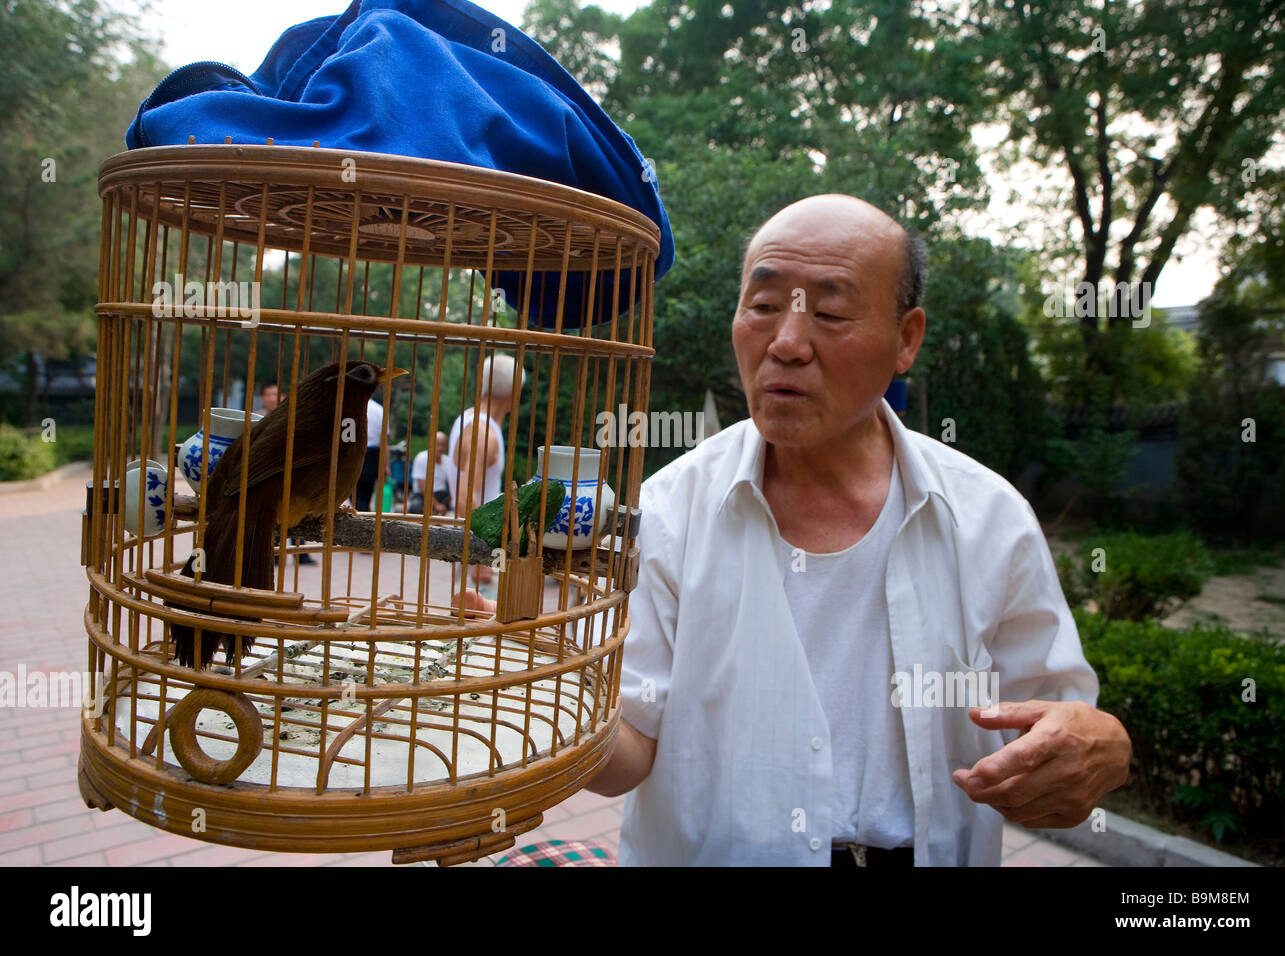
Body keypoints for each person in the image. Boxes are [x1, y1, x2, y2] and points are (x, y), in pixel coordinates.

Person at [581, 194, 1131, 866]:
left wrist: (1102, 741)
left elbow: (1060, 721)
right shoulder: (670, 510)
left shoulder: (986, 518)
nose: (786, 343)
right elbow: (626, 755)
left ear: (907, 339)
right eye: (762, 306)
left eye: (832, 312)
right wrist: (549, 692)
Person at [448, 353, 525, 587]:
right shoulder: (482, 432)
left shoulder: (469, 417)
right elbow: (465, 497)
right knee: (482, 619)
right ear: (514, 392)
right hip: (479, 551)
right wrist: (482, 558)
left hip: (474, 546)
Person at [260, 380, 315, 564]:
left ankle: (301, 553)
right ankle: (273, 553)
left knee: (297, 511)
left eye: (275, 394)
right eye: (268, 394)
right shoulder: (257, 419)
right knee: (271, 513)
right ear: (263, 398)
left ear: (282, 397)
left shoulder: (295, 417)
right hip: (267, 474)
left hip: (293, 473)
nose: (271, 398)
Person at [353, 394, 386, 512]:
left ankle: (357, 516)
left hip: (353, 452)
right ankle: (362, 516)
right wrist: (385, 465)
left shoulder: (352, 407)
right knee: (365, 493)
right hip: (372, 456)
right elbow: (383, 441)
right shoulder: (379, 410)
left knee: (353, 492)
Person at [408, 431, 451, 516]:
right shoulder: (421, 458)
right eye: (437, 444)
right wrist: (436, 505)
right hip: (423, 496)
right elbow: (422, 486)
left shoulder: (448, 460)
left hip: (442, 495)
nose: (440, 448)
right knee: (416, 507)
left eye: (443, 445)